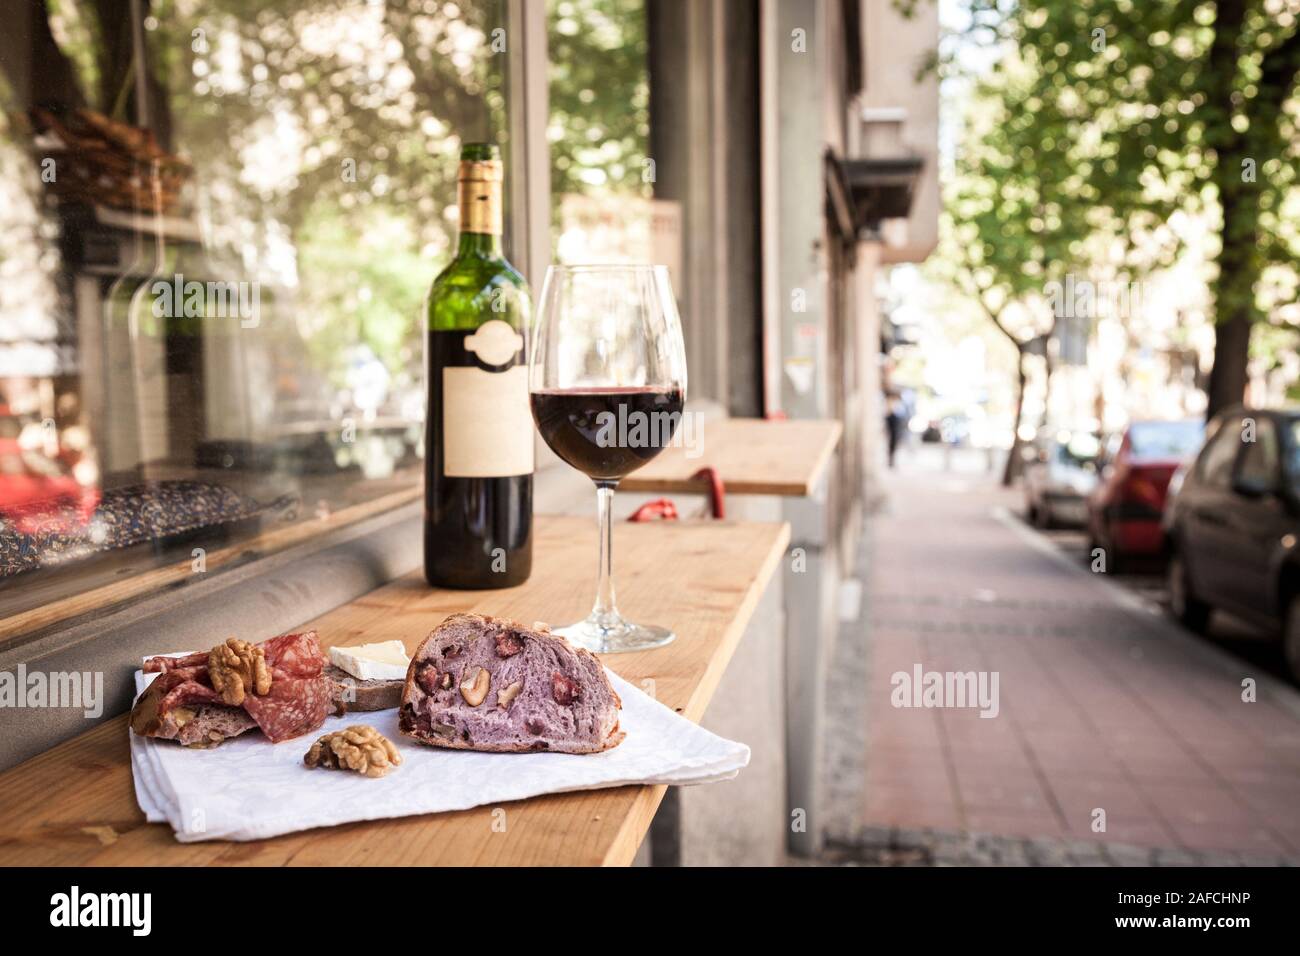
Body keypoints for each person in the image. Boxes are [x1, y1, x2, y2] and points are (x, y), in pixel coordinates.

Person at [884, 391, 907, 468]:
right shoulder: (890, 404)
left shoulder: (896, 405)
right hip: (893, 427)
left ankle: (892, 461)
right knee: (892, 444)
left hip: (896, 427)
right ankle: (891, 461)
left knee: (894, 445)